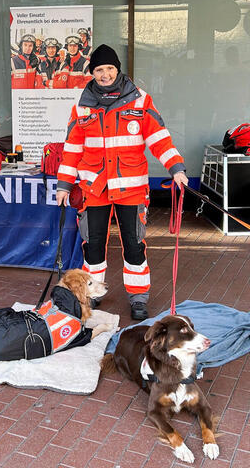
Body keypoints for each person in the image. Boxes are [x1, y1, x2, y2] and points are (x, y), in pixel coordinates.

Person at [56, 44, 188, 320]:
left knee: (134, 244)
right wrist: (64, 184)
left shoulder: (140, 100)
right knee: (93, 246)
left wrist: (175, 168)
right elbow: (72, 148)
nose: (104, 75)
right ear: (92, 73)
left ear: (118, 70)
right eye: (99, 70)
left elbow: (159, 138)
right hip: (95, 188)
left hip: (131, 189)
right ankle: (93, 294)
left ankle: (138, 297)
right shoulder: (82, 106)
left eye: (109, 69)